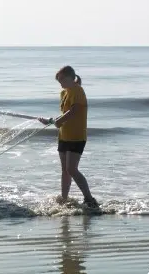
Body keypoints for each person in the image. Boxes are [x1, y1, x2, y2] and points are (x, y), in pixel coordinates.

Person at [39, 66, 99, 208]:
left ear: (71, 78)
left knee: (72, 169)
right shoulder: (64, 93)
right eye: (59, 81)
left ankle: (89, 199)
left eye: (62, 79)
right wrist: (51, 120)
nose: (60, 83)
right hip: (64, 135)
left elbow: (74, 111)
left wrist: (59, 122)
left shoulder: (78, 90)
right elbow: (65, 113)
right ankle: (64, 199)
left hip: (77, 136)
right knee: (65, 170)